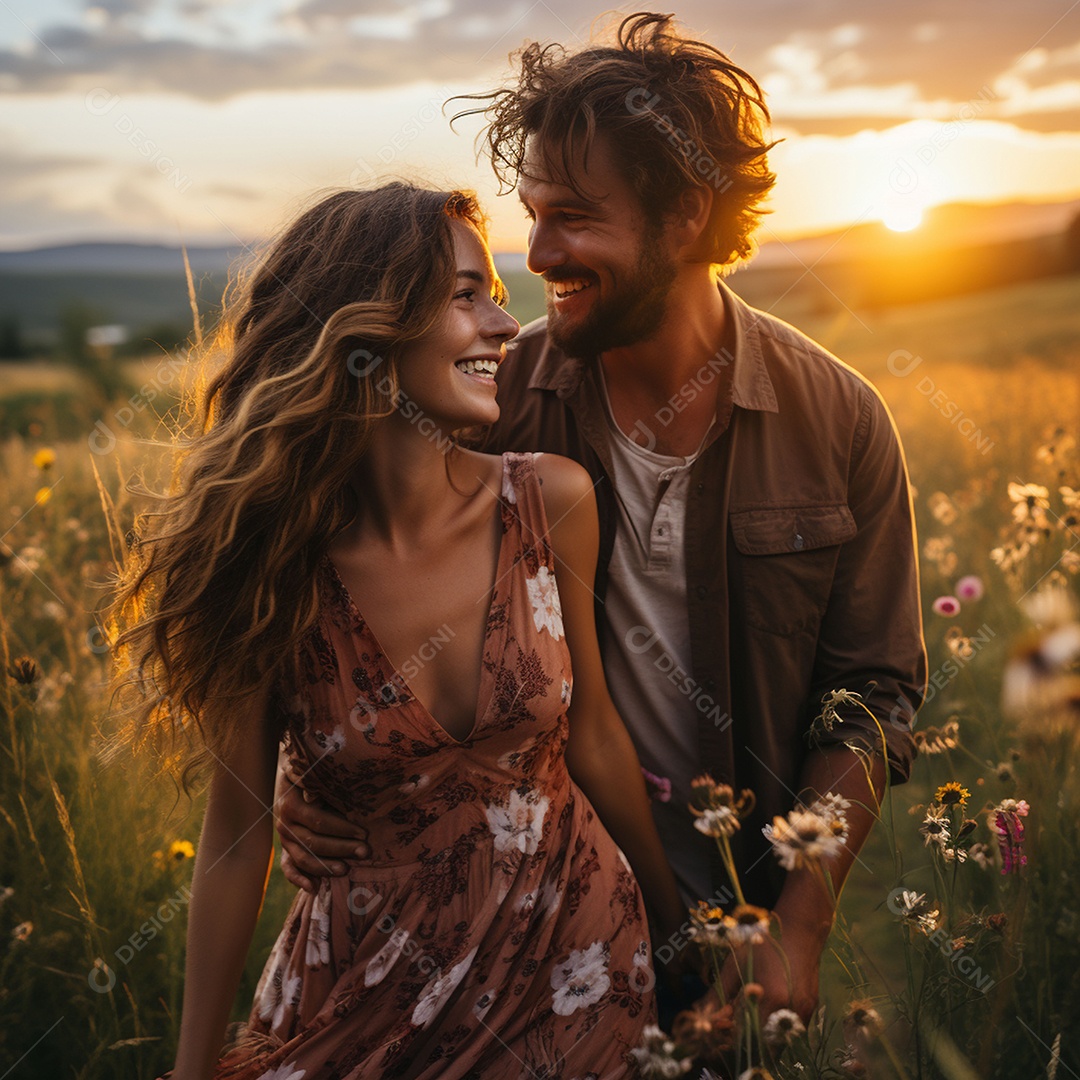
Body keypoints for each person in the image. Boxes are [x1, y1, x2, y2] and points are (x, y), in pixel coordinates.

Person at [278, 12, 928, 1032]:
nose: (535, 253)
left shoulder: (840, 420)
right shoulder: (486, 405)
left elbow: (871, 696)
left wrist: (795, 926)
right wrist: (304, 768)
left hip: (744, 918)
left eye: (573, 216)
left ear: (683, 215)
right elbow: (357, 596)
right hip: (530, 939)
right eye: (530, 213)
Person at [113, 183, 686, 1079]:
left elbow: (597, 738)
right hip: (363, 993)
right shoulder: (269, 570)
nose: (505, 324)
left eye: (495, 293)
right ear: (366, 330)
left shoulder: (552, 502)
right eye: (466, 296)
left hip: (576, 968)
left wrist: (683, 935)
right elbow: (234, 836)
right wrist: (190, 1069)